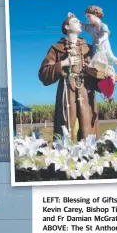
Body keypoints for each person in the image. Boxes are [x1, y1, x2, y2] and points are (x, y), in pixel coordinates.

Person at [38, 13, 102, 142]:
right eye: (75, 21)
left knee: (88, 127)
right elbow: (43, 74)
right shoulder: (56, 49)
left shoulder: (89, 48)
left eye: (79, 21)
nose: (79, 22)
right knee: (66, 127)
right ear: (67, 26)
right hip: (66, 93)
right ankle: (65, 156)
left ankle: (90, 157)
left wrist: (106, 81)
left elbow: (98, 73)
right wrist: (64, 63)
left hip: (86, 92)